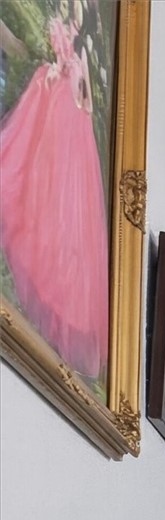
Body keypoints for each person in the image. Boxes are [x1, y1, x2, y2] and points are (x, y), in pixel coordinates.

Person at [0, 3, 110, 378]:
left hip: (70, 120)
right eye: (71, 9)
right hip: (56, 106)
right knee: (46, 181)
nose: (72, 14)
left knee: (68, 201)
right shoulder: (61, 36)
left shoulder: (77, 53)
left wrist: (75, 94)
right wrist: (53, 76)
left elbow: (87, 101)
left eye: (77, 12)